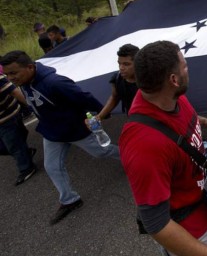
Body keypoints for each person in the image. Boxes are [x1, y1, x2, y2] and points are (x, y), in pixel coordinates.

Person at [119, 41, 207, 256]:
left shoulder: (169, 97)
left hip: (202, 190)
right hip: (189, 221)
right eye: (185, 66)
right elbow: (156, 223)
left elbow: (182, 119)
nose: (189, 69)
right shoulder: (143, 144)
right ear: (173, 79)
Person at [0, 51, 120, 225]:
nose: (10, 78)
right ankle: (70, 200)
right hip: (52, 133)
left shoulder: (55, 83)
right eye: (7, 74)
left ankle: (135, 158)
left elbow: (83, 97)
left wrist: (102, 113)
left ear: (30, 67)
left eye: (14, 73)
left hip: (74, 130)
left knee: (102, 152)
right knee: (52, 166)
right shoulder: (25, 81)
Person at [0, 66, 37, 186]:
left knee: (14, 145)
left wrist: (33, 107)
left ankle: (27, 168)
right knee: (11, 145)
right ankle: (24, 152)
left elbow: (14, 91)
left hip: (8, 117)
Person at [94, 44, 139, 122]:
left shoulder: (149, 79)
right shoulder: (117, 79)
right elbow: (115, 97)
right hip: (133, 120)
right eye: (119, 63)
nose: (121, 68)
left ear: (138, 63)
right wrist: (99, 117)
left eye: (126, 64)